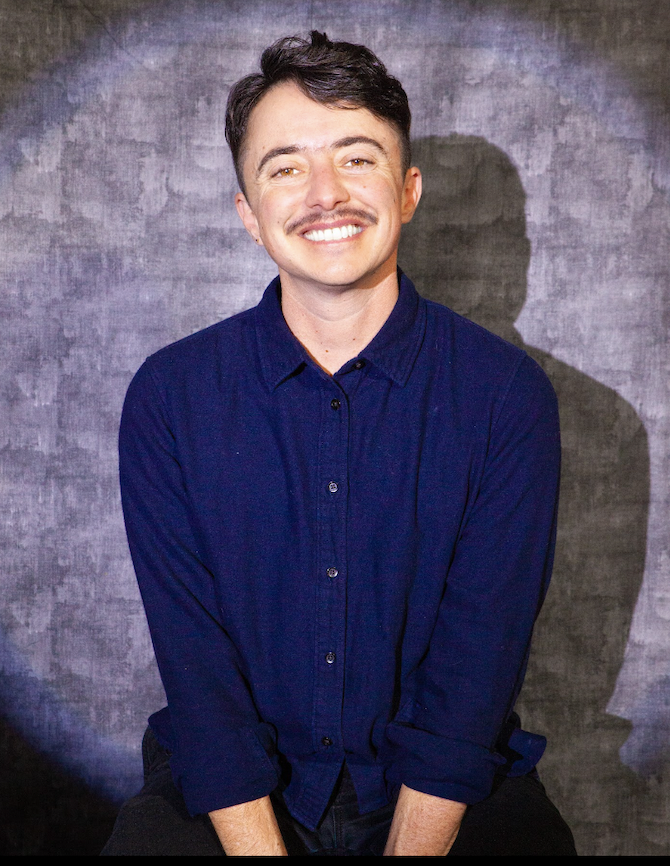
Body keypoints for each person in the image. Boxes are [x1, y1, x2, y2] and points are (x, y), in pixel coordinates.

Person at [102, 31, 577, 856]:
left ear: (410, 189)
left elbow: (473, 672)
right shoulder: (170, 397)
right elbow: (198, 671)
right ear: (249, 214)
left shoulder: (506, 398)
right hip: (230, 792)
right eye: (285, 167)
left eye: (357, 159)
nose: (327, 194)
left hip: (440, 788)